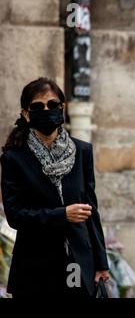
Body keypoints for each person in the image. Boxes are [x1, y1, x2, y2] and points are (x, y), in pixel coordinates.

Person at [0, 77, 109, 298]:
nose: (46, 110)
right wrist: (62, 215)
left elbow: (91, 211)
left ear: (63, 108)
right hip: (35, 267)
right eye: (38, 106)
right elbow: (15, 216)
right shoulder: (14, 158)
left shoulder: (82, 152)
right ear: (26, 114)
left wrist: (101, 262)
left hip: (77, 263)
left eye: (52, 104)